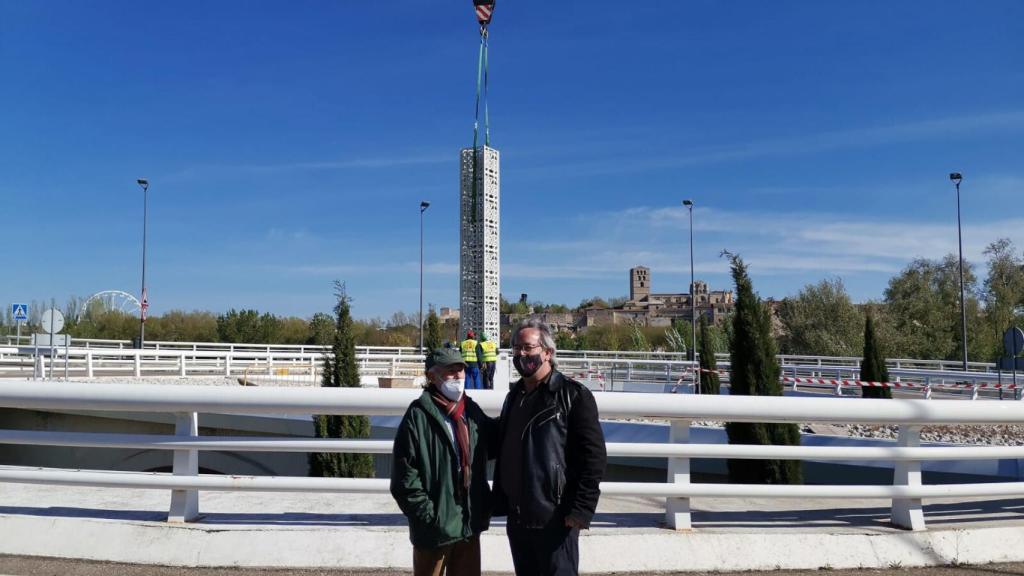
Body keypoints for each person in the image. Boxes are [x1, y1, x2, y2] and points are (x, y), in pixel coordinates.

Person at [493, 320, 607, 576]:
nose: (521, 354)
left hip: (556, 517)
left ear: (547, 352)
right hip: (519, 518)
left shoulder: (573, 395)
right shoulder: (514, 397)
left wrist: (581, 509)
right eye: (515, 348)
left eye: (528, 347)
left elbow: (594, 457)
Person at [391, 347, 494, 576]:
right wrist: (430, 518)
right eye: (450, 371)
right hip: (434, 532)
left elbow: (492, 442)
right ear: (432, 376)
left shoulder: (471, 410)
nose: (458, 376)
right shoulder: (417, 417)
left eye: (461, 369)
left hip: (467, 525)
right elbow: (404, 479)